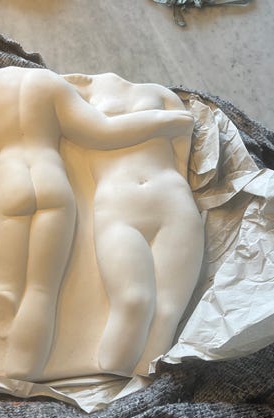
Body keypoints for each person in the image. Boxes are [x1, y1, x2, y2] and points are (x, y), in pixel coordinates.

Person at [0, 66, 194, 379]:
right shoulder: (52, 85)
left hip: (10, 181)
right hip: (51, 181)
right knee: (42, 290)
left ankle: (6, 295)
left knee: (6, 284)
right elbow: (104, 132)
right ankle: (25, 365)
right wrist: (165, 120)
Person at [65, 73, 204, 375]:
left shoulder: (160, 93)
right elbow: (94, 133)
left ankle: (141, 389)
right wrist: (163, 122)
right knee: (133, 302)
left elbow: (183, 148)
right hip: (118, 202)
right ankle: (110, 378)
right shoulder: (74, 91)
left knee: (166, 313)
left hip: (172, 198)